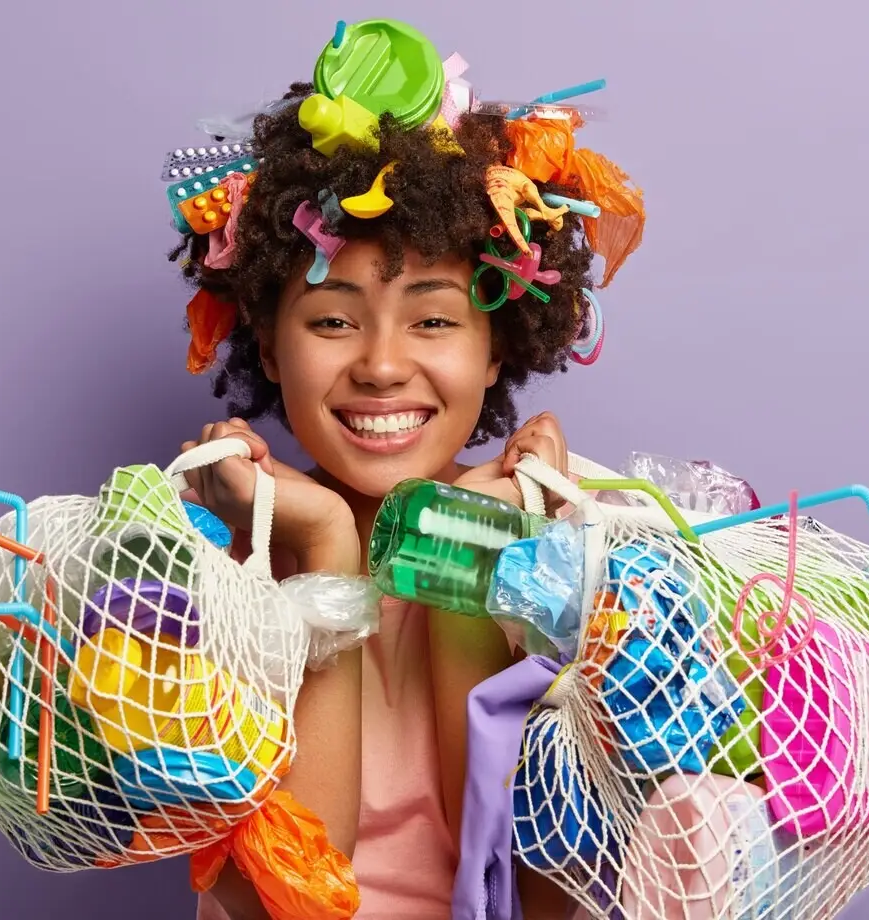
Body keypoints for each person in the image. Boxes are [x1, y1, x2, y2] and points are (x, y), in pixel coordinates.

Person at [164, 55, 642, 919]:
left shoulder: (563, 547)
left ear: (497, 348)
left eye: (433, 318)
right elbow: (283, 902)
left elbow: (524, 898)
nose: (382, 366)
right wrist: (322, 551)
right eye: (334, 320)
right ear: (270, 346)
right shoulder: (214, 572)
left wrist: (471, 556)